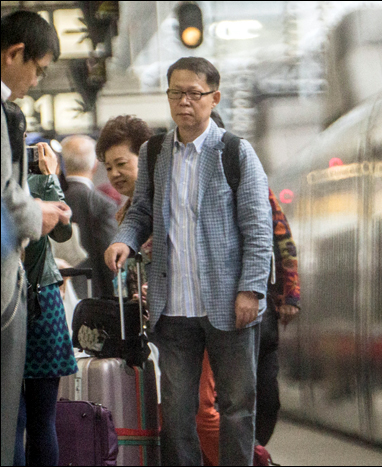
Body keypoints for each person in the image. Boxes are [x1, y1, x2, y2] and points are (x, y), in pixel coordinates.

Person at [104, 57, 272, 466]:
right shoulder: (155, 151)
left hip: (228, 304)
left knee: (236, 407)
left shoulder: (235, 153)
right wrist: (124, 240)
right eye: (176, 93)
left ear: (213, 98)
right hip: (172, 306)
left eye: (194, 93)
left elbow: (258, 227)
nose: (184, 102)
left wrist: (251, 289)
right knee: (177, 414)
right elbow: (141, 210)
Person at [1, 11, 71, 465]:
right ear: (13, 53)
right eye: (38, 67)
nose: (38, 78)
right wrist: (39, 212)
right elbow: (7, 195)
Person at [197, 186, 301, 465]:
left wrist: (291, 294)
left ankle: (252, 450)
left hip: (260, 307)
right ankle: (244, 455)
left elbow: (283, 240)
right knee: (228, 398)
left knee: (268, 397)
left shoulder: (256, 188)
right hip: (214, 311)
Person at [14, 135, 78, 466]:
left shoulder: (24, 184)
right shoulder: (33, 183)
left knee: (18, 420)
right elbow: (63, 231)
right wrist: (50, 177)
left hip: (35, 301)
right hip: (40, 300)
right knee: (38, 420)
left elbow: (62, 232)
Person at [95, 115, 154, 299]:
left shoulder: (163, 206)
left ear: (145, 159)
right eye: (108, 167)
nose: (115, 174)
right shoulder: (124, 213)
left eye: (121, 164)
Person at [61, 135, 118, 298]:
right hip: (94, 294)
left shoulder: (49, 201)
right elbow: (110, 256)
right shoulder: (103, 204)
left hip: (56, 294)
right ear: (95, 165)